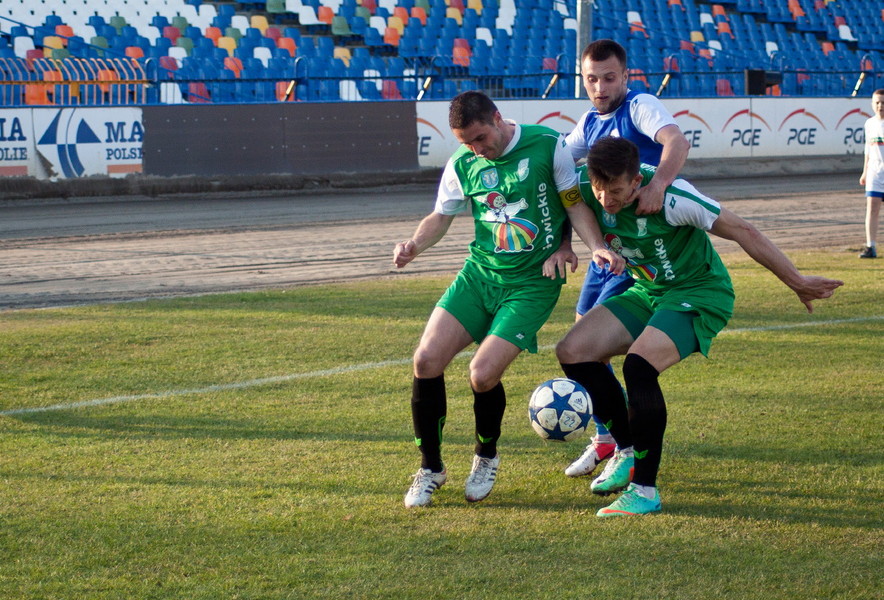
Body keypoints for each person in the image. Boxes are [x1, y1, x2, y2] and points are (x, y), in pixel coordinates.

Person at [555, 137, 843, 517]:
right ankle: (627, 450)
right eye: (599, 190)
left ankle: (645, 491)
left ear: (637, 181)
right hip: (649, 291)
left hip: (700, 292)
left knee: (639, 367)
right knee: (573, 352)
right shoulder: (584, 186)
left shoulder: (675, 198)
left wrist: (797, 281)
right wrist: (575, 245)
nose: (606, 200)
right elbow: (565, 206)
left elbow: (743, 230)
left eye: (617, 191)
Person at [393, 91, 624, 508]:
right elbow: (441, 215)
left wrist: (594, 247)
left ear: (497, 119)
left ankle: (486, 456)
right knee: (425, 361)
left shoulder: (546, 145)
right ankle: (431, 468)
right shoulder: (463, 163)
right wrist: (414, 245)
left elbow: (573, 205)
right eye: (467, 143)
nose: (477, 149)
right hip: (479, 277)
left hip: (532, 283)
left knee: (482, 374)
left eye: (480, 138)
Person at [557, 39, 691, 480]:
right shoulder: (589, 123)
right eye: (591, 79)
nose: (600, 87)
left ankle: (622, 444)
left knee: (594, 347)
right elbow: (560, 167)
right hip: (606, 247)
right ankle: (608, 437)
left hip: (638, 251)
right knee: (583, 343)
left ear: (625, 77)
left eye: (608, 78)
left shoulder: (640, 106)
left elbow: (677, 141)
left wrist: (658, 185)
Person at [858, 88, 884, 259]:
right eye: (877, 102)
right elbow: (868, 149)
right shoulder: (869, 124)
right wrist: (865, 172)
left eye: (883, 103)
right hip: (875, 173)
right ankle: (870, 246)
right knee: (872, 209)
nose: (880, 106)